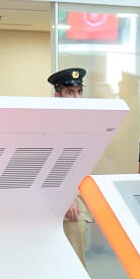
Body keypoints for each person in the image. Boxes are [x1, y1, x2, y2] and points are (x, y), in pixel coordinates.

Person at [50, 67, 91, 262]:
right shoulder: (54, 124)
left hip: (74, 205)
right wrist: (67, 198)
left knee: (75, 262)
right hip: (65, 205)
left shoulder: (80, 122)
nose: (76, 97)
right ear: (57, 95)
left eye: (79, 92)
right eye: (69, 92)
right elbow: (53, 165)